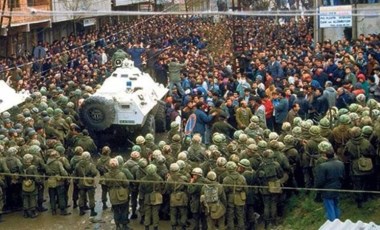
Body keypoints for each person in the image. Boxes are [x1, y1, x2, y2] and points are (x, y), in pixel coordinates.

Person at [314, 141, 344, 221]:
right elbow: (343, 176)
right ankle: (338, 220)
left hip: (327, 189)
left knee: (329, 207)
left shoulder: (322, 166)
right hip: (337, 187)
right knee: (336, 204)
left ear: (325, 156)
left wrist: (318, 189)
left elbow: (320, 181)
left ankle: (333, 224)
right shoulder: (340, 163)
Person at [103, 158, 130, 230]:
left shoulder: (106, 175)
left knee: (116, 211)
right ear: (117, 165)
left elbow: (106, 184)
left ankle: (117, 226)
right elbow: (126, 184)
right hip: (122, 194)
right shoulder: (121, 174)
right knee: (124, 210)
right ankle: (124, 225)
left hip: (112, 194)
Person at [222, 161, 248, 230]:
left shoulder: (226, 179)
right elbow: (246, 189)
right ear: (235, 168)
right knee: (240, 215)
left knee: (230, 216)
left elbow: (225, 191)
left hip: (230, 198)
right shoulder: (242, 177)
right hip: (240, 198)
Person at [73, 151, 98, 216]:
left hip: (81, 183)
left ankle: (81, 210)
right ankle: (92, 211)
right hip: (90, 183)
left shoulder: (78, 164)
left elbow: (75, 174)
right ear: (89, 157)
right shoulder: (90, 165)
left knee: (81, 196)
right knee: (91, 197)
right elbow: (95, 173)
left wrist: (77, 181)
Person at [45, 150, 70, 216]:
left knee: (52, 196)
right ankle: (62, 210)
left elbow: (46, 172)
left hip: (50, 181)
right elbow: (63, 172)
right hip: (58, 181)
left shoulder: (47, 162)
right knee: (61, 196)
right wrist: (66, 177)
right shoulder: (58, 163)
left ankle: (53, 210)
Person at [164, 163, 189, 230]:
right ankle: (183, 226)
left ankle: (173, 227)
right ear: (178, 169)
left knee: (173, 213)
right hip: (182, 197)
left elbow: (167, 189)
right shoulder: (184, 177)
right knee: (183, 213)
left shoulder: (169, 179)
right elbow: (188, 187)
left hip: (173, 196)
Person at [139, 164, 164, 230]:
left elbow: (141, 190)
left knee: (147, 213)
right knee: (155, 213)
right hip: (156, 197)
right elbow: (162, 187)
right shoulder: (159, 178)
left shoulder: (143, 179)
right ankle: (155, 227)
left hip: (147, 197)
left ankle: (146, 226)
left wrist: (141, 197)